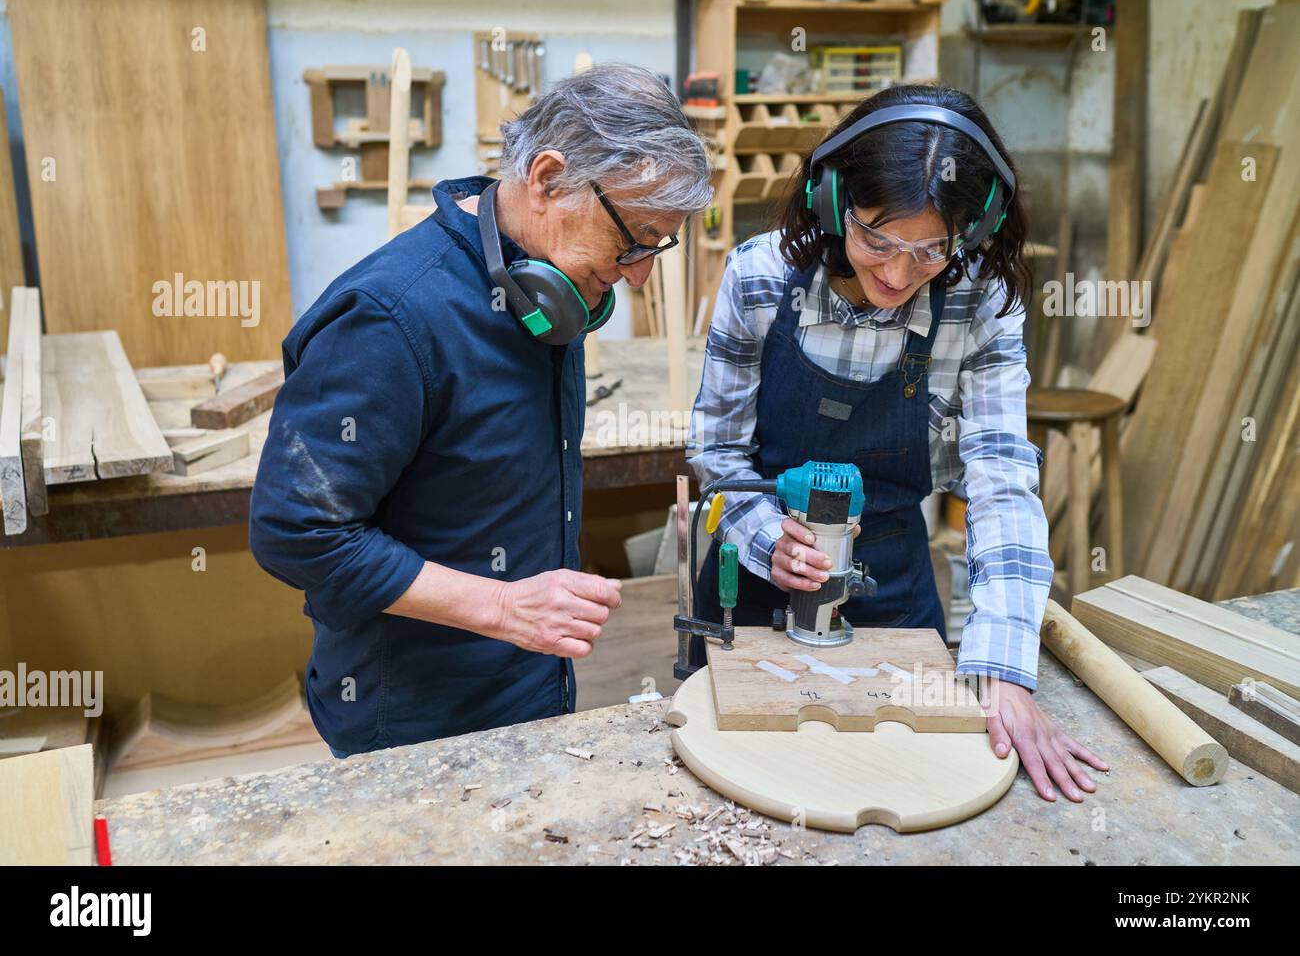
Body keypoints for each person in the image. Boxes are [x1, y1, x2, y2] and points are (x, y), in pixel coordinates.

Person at [250, 64, 713, 757]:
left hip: (530, 685)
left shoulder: (553, 295)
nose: (640, 271)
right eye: (635, 238)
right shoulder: (389, 317)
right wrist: (503, 606)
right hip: (412, 719)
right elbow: (295, 530)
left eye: (659, 244)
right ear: (549, 179)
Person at [687, 84, 1108, 802]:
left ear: (972, 232)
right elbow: (719, 459)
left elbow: (1002, 475)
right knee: (745, 798)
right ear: (830, 197)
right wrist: (766, 540)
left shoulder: (979, 301)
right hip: (755, 593)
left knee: (909, 783)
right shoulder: (760, 279)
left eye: (929, 251)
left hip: (894, 586)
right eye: (876, 239)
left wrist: (1003, 664)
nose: (895, 272)